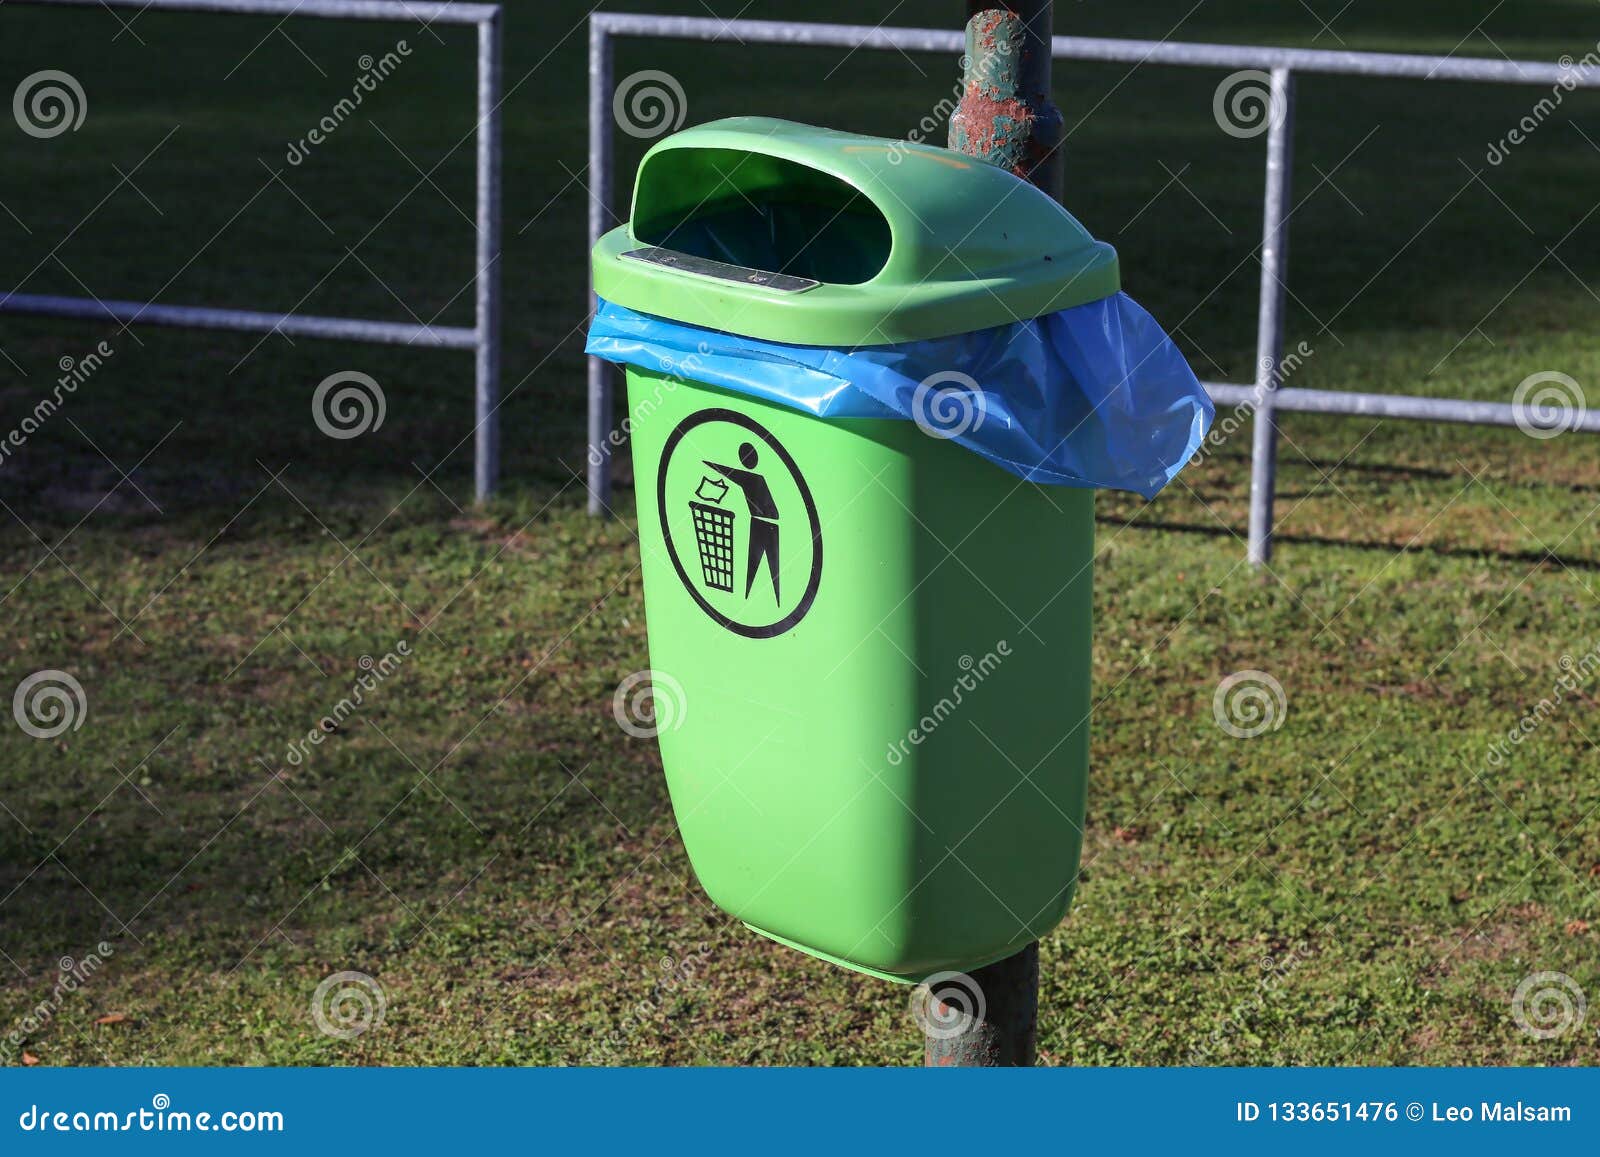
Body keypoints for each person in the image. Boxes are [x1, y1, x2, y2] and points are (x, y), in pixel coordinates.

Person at [705, 443, 780, 603]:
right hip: (764, 523)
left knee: (769, 567)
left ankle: (771, 600)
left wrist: (712, 465)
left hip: (765, 524)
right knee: (760, 566)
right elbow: (732, 473)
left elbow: (731, 473)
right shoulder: (756, 478)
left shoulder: (754, 478)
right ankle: (752, 598)